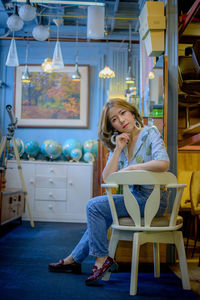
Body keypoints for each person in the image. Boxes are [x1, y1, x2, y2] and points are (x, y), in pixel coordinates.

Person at [48, 98, 170, 286]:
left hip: (154, 201)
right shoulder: (121, 143)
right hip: (134, 199)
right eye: (114, 119)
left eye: (123, 113)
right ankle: (75, 259)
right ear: (111, 125)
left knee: (95, 206)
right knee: (100, 210)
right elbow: (107, 177)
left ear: (131, 112)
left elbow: (163, 163)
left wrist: (131, 169)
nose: (121, 120)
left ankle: (99, 259)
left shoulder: (150, 132)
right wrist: (118, 147)